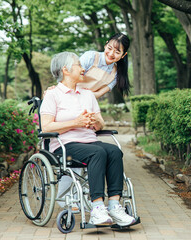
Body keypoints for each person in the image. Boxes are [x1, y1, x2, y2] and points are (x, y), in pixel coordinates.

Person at [40, 52, 135, 226]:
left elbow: (100, 125)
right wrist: (75, 122)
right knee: (97, 152)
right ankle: (97, 207)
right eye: (78, 65)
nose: (83, 68)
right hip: (65, 145)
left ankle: (114, 206)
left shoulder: (88, 94)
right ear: (66, 70)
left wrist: (95, 120)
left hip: (90, 141)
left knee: (114, 151)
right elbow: (46, 126)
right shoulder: (53, 95)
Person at [79, 32, 131, 98]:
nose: (111, 54)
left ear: (123, 55)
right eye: (109, 48)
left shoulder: (116, 73)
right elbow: (71, 78)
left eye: (117, 52)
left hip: (87, 100)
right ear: (106, 45)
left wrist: (87, 94)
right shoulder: (90, 57)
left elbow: (98, 94)